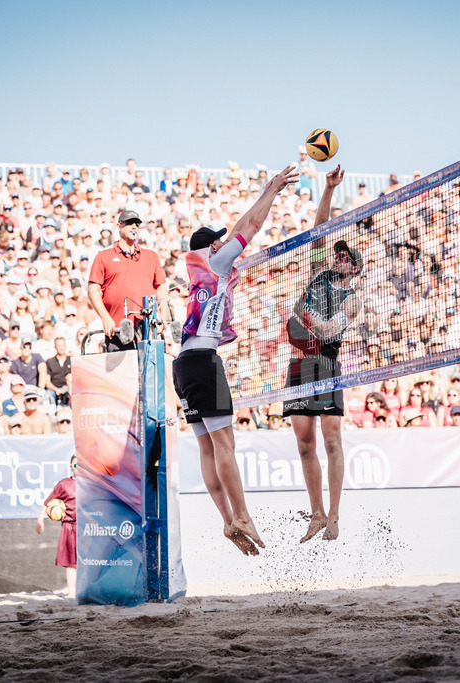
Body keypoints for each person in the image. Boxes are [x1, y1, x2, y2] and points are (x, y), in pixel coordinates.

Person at [172, 162, 298, 556]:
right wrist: (273, 191)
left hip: (184, 365)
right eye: (217, 242)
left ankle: (227, 520)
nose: (221, 244)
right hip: (203, 363)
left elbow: (241, 224)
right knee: (225, 445)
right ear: (210, 247)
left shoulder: (200, 267)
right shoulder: (215, 261)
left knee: (209, 448)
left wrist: (265, 191)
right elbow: (251, 227)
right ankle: (241, 516)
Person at [281, 166, 362, 542]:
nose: (340, 257)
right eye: (338, 254)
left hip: (327, 362)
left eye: (346, 257)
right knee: (303, 444)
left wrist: (303, 314)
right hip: (300, 364)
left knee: (332, 442)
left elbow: (331, 329)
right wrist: (328, 189)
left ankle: (333, 516)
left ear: (355, 268)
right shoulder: (317, 273)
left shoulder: (352, 298)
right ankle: (315, 514)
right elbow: (320, 227)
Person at [87, 209, 167, 352]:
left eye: (137, 223)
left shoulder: (151, 256)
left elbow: (161, 287)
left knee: (149, 372)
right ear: (119, 227)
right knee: (120, 374)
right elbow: (93, 290)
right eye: (129, 223)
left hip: (148, 328)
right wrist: (105, 318)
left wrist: (161, 314)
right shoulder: (104, 256)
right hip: (117, 328)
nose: (134, 226)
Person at [36, 455, 77, 595]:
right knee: (71, 562)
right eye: (76, 465)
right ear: (71, 467)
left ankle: (85, 589)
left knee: (88, 560)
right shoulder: (64, 484)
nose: (79, 468)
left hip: (87, 527)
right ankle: (71, 591)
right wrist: (40, 518)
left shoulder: (91, 483)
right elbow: (47, 502)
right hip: (69, 526)